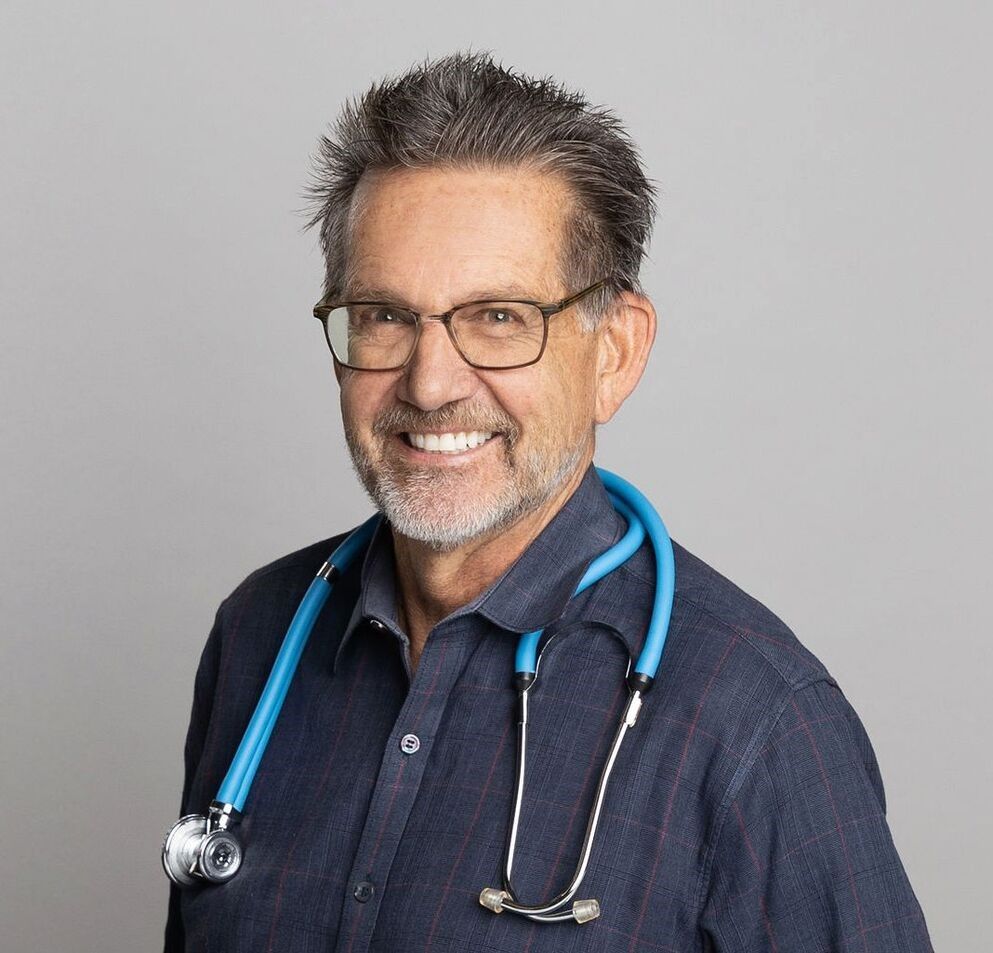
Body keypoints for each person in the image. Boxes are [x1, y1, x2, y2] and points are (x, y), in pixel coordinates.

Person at [164, 51, 933, 952]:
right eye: (384, 315)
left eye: (499, 317)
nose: (431, 382)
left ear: (615, 352)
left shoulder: (756, 719)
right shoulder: (260, 633)